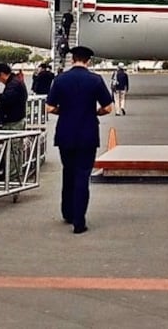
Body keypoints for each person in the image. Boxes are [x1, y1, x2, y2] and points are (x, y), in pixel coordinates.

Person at [46, 45, 113, 233]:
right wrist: (95, 113)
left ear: (72, 59)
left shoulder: (60, 79)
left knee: (68, 172)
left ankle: (67, 212)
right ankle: (79, 221)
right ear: (88, 61)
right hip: (87, 133)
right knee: (83, 176)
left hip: (65, 133)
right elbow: (108, 108)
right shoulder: (95, 80)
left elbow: (49, 107)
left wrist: (64, 111)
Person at [0, 63, 29, 183]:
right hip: (18, 119)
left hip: (13, 122)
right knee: (16, 151)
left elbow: (8, 98)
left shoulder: (13, 84)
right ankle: (16, 176)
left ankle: (12, 179)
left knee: (13, 152)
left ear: (2, 74)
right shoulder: (16, 81)